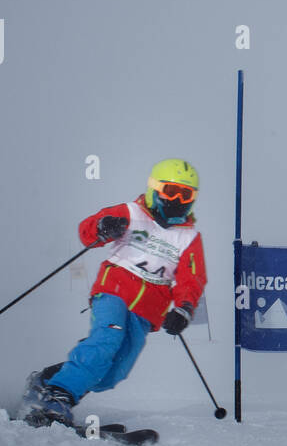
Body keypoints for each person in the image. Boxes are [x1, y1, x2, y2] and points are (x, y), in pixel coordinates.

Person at [22, 159, 208, 427]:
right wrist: (103, 227)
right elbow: (88, 230)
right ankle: (58, 397)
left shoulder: (188, 237)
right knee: (108, 338)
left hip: (148, 308)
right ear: (155, 189)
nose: (177, 199)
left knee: (114, 371)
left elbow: (191, 279)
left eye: (185, 194)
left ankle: (48, 381)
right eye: (171, 191)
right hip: (114, 291)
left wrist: (183, 308)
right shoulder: (131, 213)